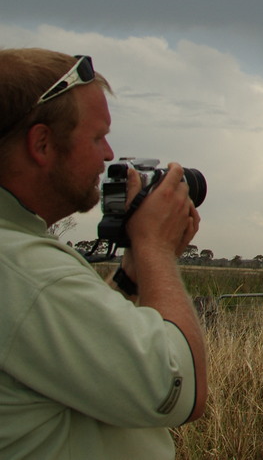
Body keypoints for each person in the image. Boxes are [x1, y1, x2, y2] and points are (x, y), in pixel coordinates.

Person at [0, 48, 207, 458]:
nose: (109, 155)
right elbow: (175, 387)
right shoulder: (26, 270)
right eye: (97, 137)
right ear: (42, 144)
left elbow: (81, 351)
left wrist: (133, 273)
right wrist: (157, 250)